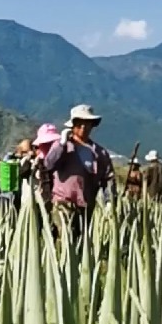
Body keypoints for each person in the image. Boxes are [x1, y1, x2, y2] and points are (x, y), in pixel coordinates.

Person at [43, 104, 114, 243]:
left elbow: (108, 178)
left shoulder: (100, 153)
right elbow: (49, 164)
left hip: (86, 206)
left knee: (81, 243)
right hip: (63, 204)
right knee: (63, 242)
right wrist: (61, 143)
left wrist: (109, 201)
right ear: (72, 125)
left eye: (87, 123)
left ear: (92, 125)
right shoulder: (64, 146)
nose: (83, 127)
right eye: (79, 123)